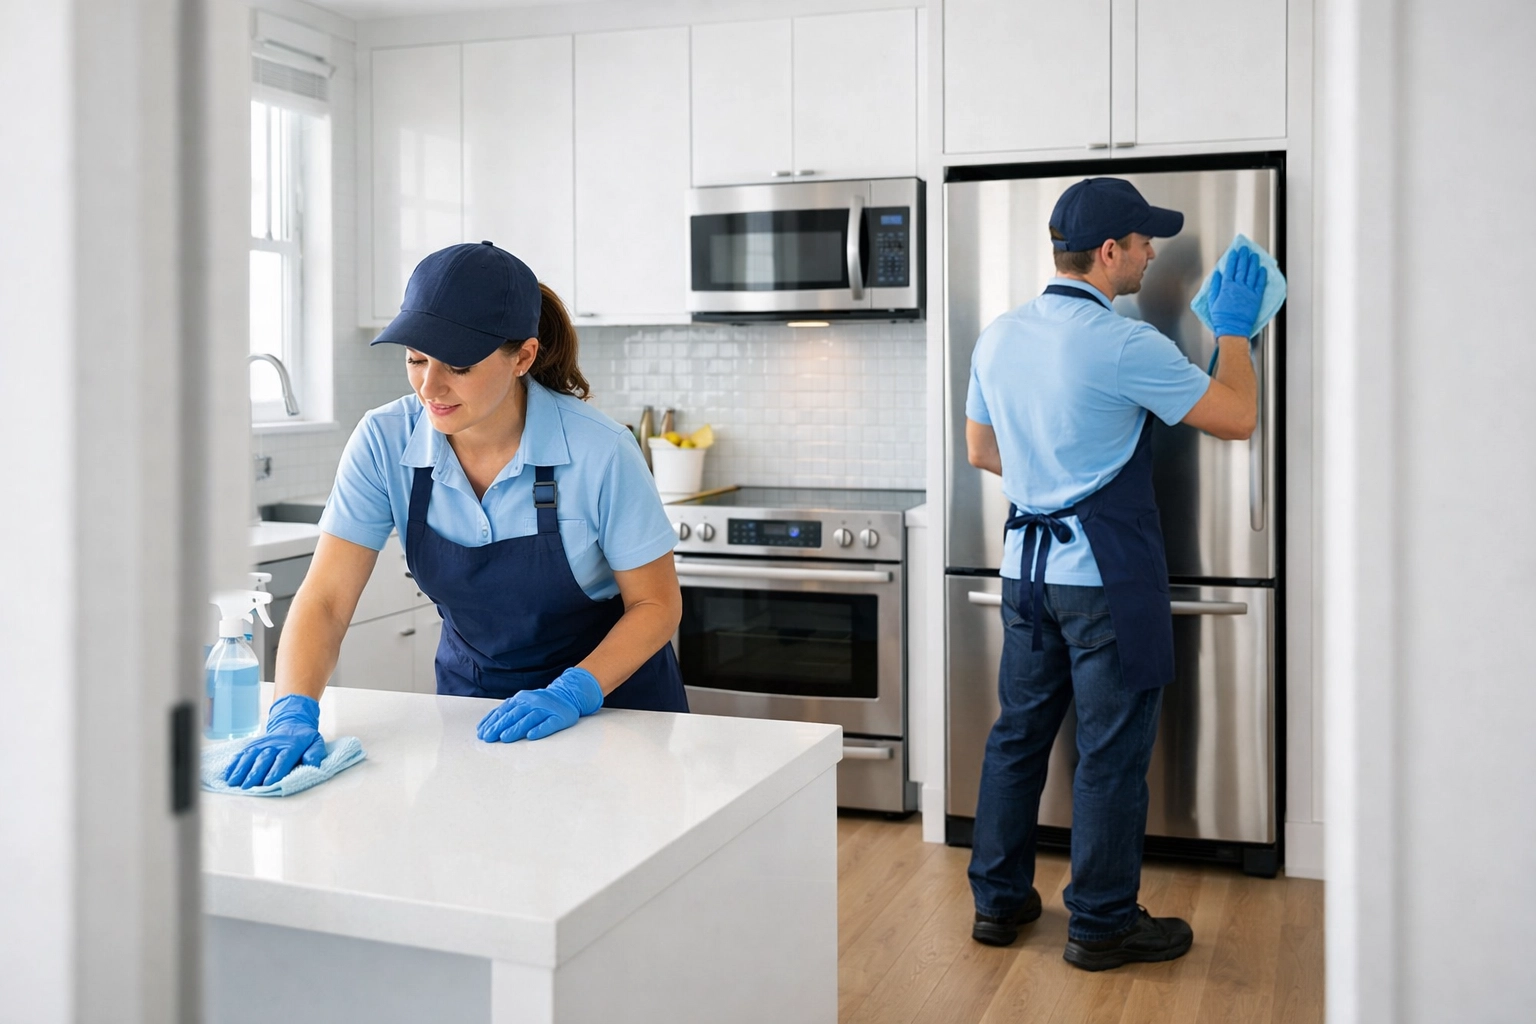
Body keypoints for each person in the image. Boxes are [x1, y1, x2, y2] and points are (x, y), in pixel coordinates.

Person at [224, 241, 688, 789]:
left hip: (617, 711)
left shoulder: (601, 450)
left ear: (524, 357)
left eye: (459, 366)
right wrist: (292, 710)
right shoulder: (383, 440)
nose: (430, 387)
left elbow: (656, 604)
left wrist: (573, 691)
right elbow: (325, 600)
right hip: (473, 713)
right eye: (416, 359)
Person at [963, 178, 1266, 971]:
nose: (1151, 254)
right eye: (1142, 242)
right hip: (1105, 580)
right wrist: (1235, 333)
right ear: (1108, 252)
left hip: (1026, 575)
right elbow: (1238, 417)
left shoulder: (999, 336)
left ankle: (998, 903)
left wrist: (1052, 476)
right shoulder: (1126, 343)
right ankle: (1100, 925)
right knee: (1109, 753)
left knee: (1017, 739)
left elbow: (982, 451)